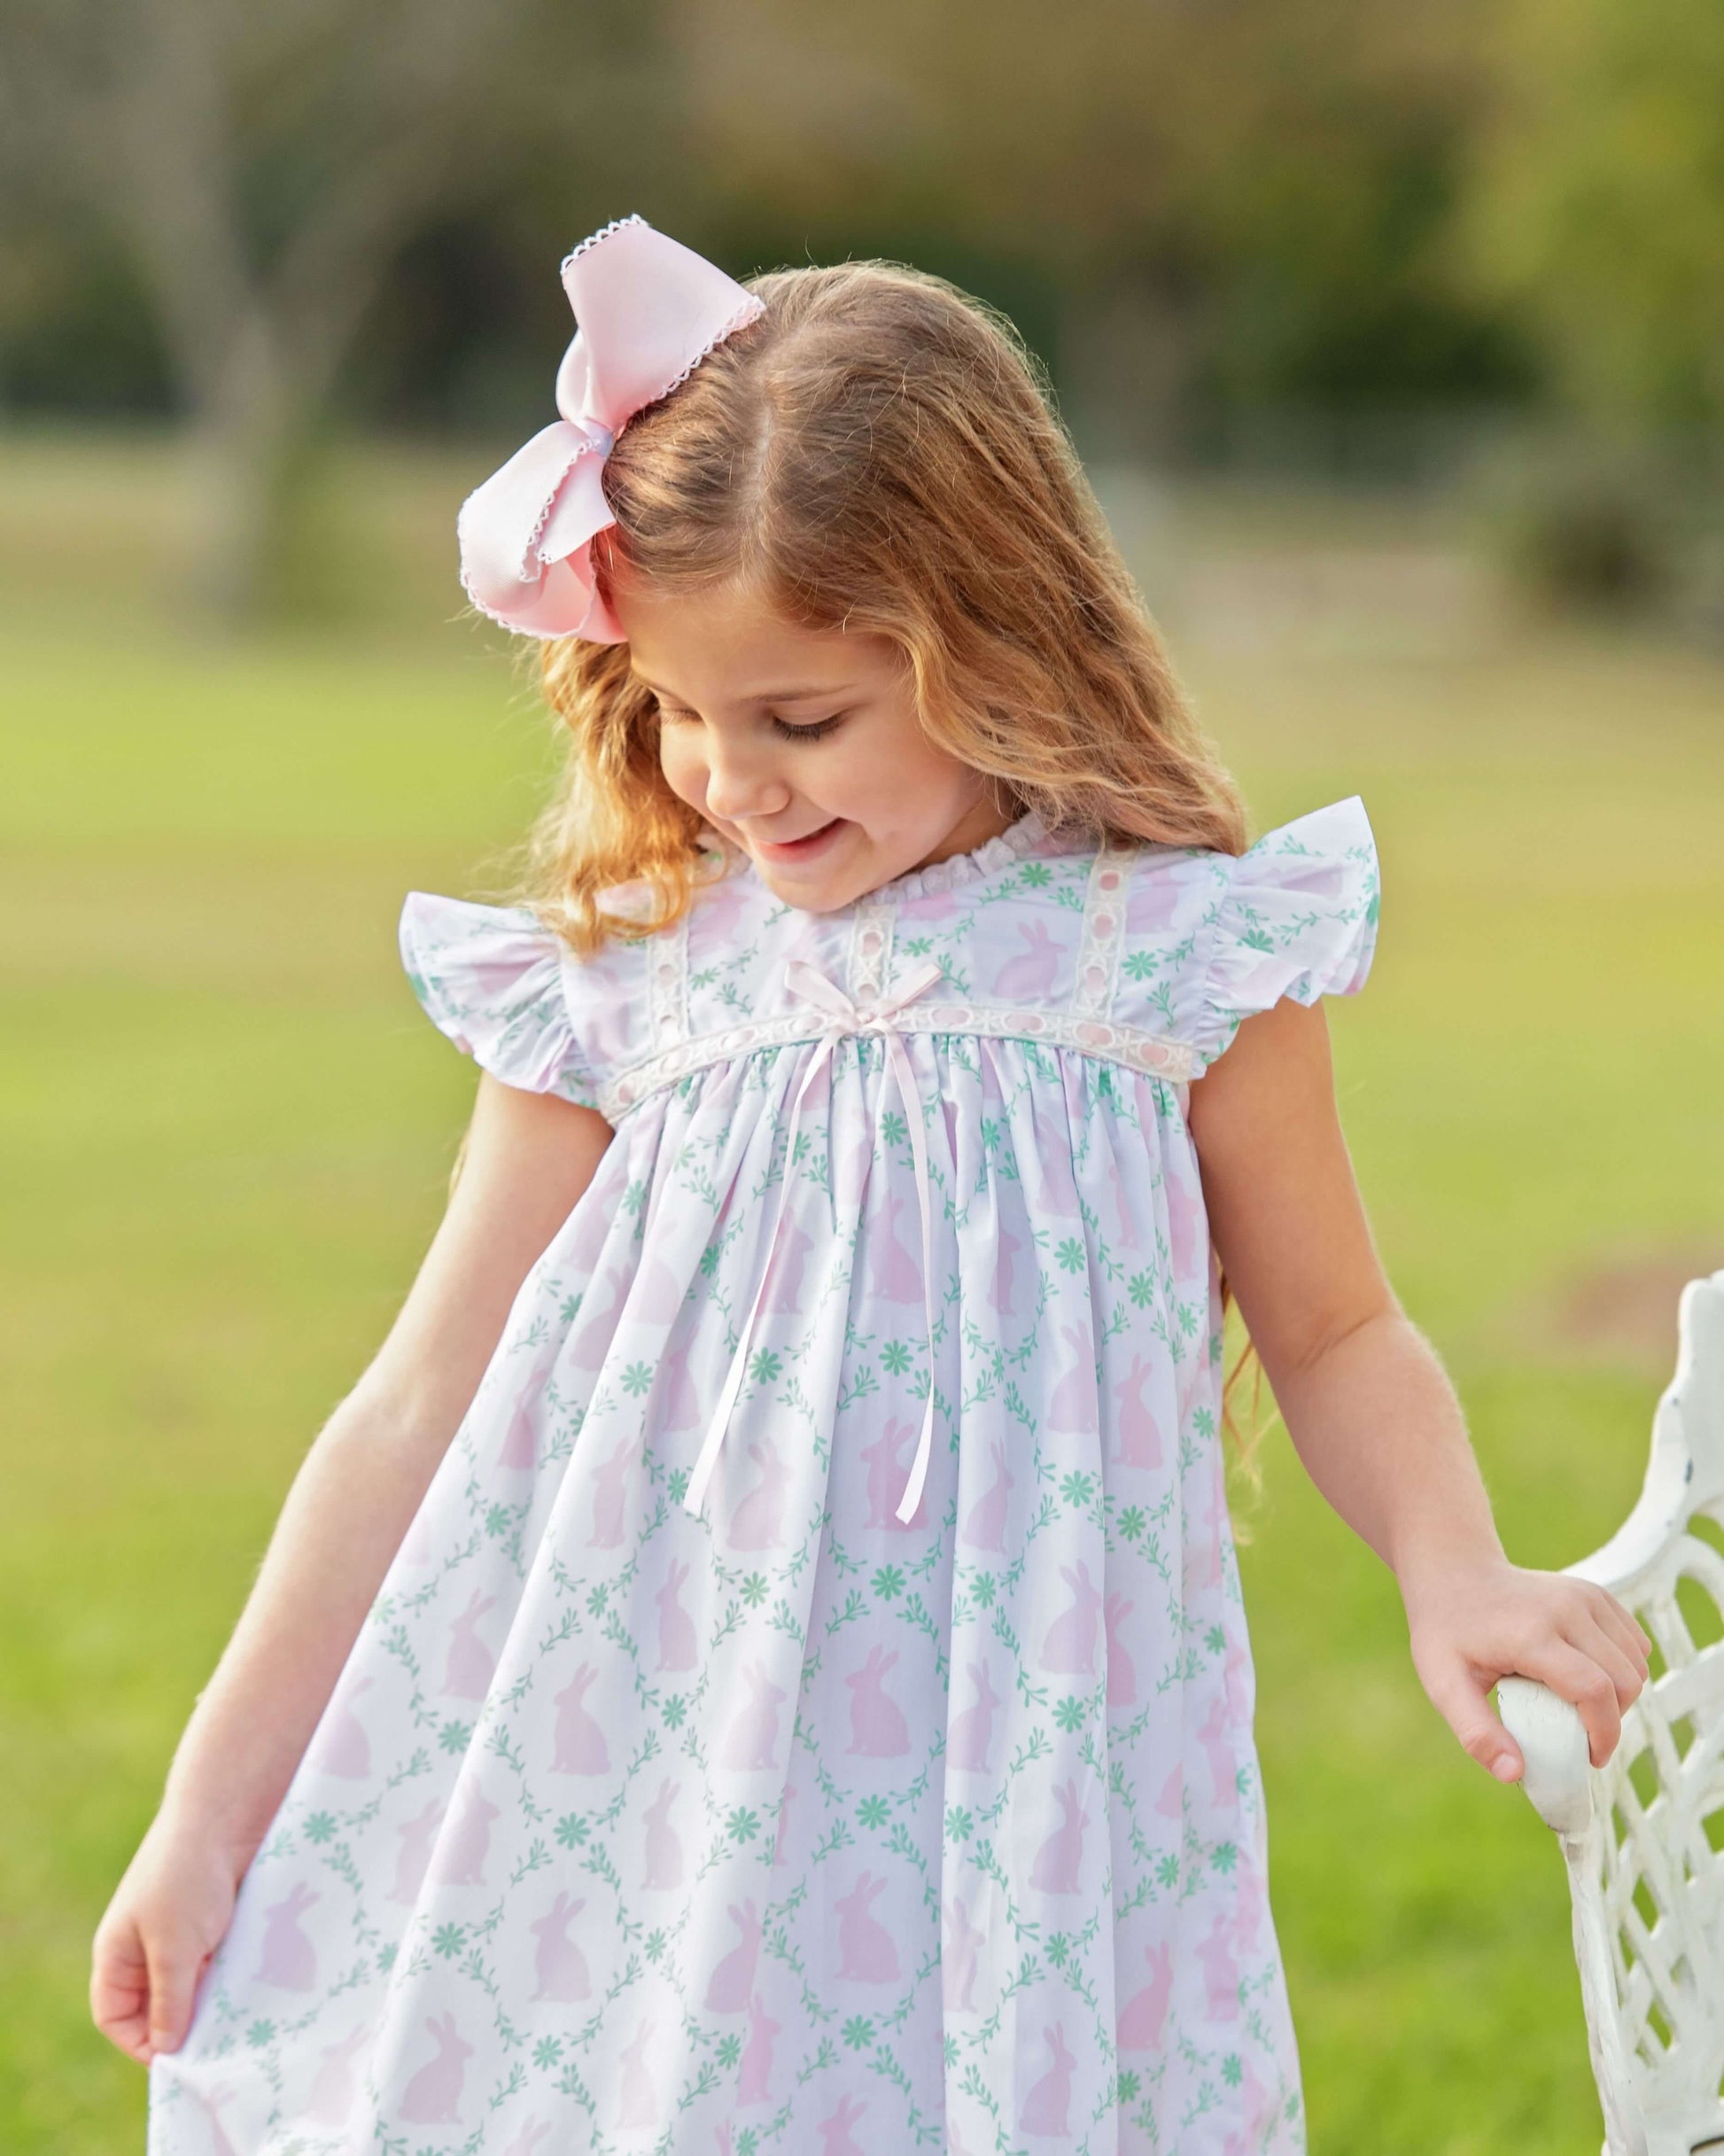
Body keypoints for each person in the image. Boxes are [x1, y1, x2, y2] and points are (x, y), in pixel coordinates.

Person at [95, 215, 1650, 2154]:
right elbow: (412, 1405)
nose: (729, 776)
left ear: (986, 635)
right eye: (674, 707)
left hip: (1028, 1766)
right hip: (651, 1759)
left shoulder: (1169, 957)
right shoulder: (633, 977)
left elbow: (1336, 1327)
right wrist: (208, 1810)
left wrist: (1453, 1565)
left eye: (801, 716)